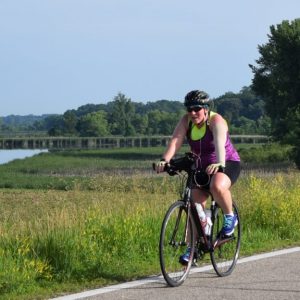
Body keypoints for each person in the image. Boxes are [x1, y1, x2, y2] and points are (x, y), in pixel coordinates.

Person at [155, 90, 241, 264]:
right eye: (189, 109)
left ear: (206, 109)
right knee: (195, 207)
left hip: (227, 161)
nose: (192, 113)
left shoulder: (216, 121)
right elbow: (175, 141)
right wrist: (165, 160)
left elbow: (219, 144)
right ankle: (193, 246)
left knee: (217, 186)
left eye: (197, 109)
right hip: (201, 166)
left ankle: (230, 218)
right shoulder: (186, 121)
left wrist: (220, 163)